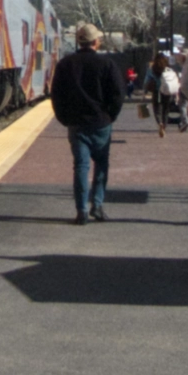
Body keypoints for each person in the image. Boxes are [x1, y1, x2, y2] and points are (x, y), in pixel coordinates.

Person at [50, 23, 126, 224]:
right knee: (101, 165)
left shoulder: (65, 64)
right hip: (101, 123)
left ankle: (81, 210)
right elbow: (118, 94)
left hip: (76, 124)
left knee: (81, 166)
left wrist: (64, 118)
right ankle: (98, 206)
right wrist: (110, 116)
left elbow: (56, 95)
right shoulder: (107, 64)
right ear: (96, 42)